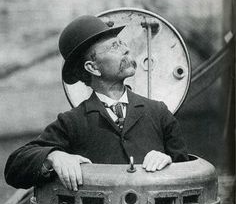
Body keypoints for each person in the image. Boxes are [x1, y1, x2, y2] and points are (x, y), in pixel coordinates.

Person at [5, 15, 188, 192]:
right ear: (93, 68)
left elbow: (190, 174)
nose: (125, 49)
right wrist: (54, 156)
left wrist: (169, 162)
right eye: (114, 47)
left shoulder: (159, 112)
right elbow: (14, 167)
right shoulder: (72, 122)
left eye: (121, 42)